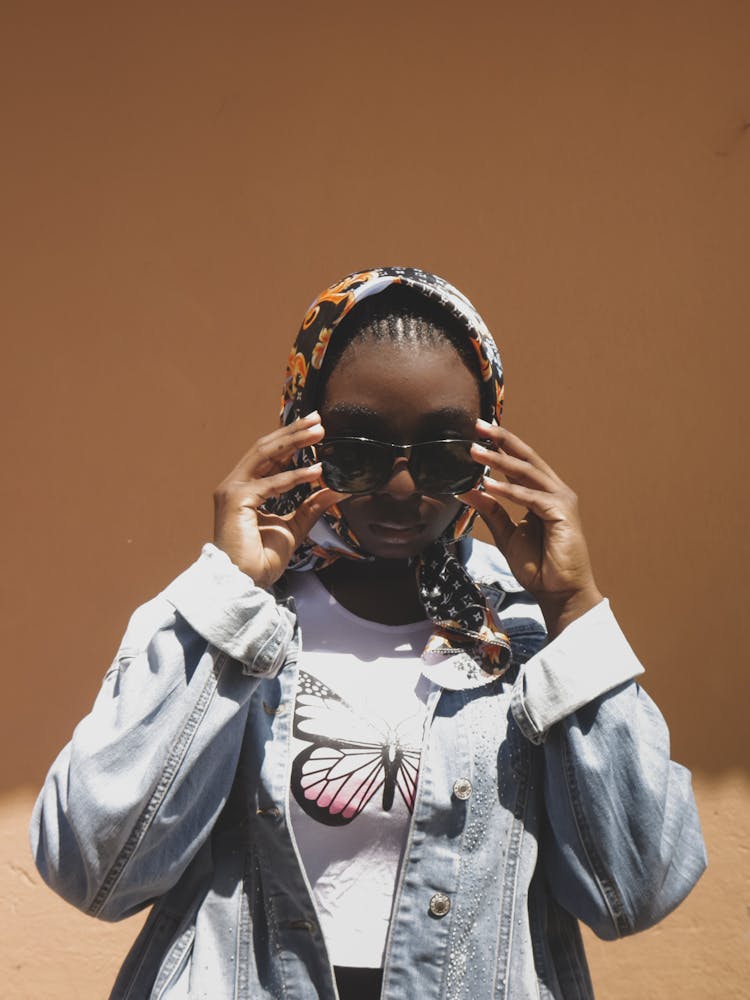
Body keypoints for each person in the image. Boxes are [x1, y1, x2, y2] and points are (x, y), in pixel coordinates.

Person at [30, 267, 706, 1000]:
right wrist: (228, 599)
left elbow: (637, 892)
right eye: (359, 449)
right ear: (299, 431)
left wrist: (573, 609)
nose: (402, 488)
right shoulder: (229, 613)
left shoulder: (526, 631)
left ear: (491, 447)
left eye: (444, 452)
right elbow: (90, 872)